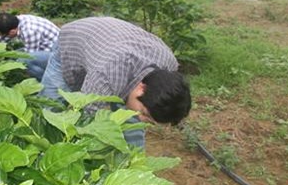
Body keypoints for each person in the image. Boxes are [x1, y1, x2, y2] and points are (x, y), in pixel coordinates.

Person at [40, 16, 191, 148]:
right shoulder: (106, 75)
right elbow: (85, 119)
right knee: (51, 107)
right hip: (74, 41)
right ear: (141, 88)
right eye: (146, 114)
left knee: (132, 121)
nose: (144, 120)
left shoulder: (169, 65)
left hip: (113, 42)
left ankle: (131, 166)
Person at [0, 12, 60, 80]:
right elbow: (1, 38)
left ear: (12, 32)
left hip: (59, 54)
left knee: (24, 61)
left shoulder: (30, 31)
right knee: (11, 55)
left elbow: (29, 56)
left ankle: (50, 82)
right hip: (44, 47)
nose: (0, 36)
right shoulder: (15, 21)